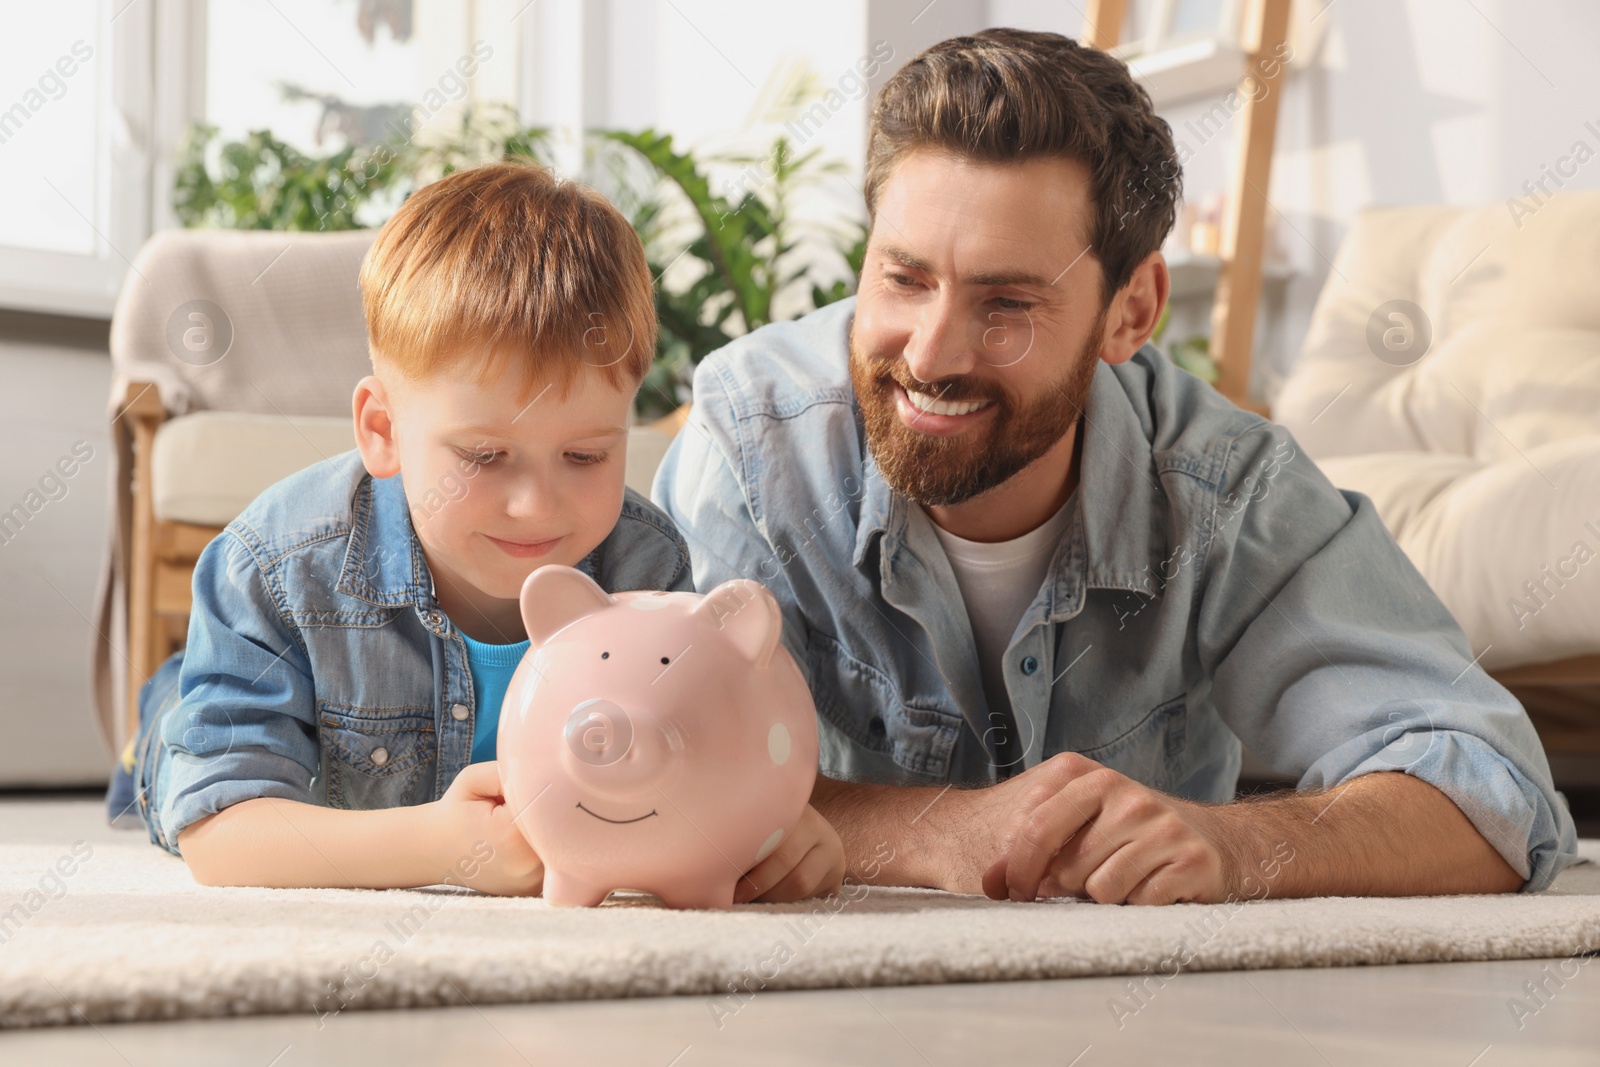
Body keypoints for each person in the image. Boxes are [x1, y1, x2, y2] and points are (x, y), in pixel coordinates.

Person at [654, 29, 1578, 905]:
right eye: (904, 279)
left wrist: (1235, 845)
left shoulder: (1225, 486)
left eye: (1006, 302)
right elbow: (664, 771)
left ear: (1130, 314)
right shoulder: (754, 442)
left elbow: (1492, 791)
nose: (931, 354)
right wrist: (942, 831)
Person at [111, 160, 846, 901]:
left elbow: (700, 751)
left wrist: (766, 821)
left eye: (586, 455)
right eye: (486, 456)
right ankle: (163, 710)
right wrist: (436, 844)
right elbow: (220, 832)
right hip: (247, 715)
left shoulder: (645, 560)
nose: (537, 505)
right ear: (383, 429)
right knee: (176, 750)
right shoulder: (274, 568)